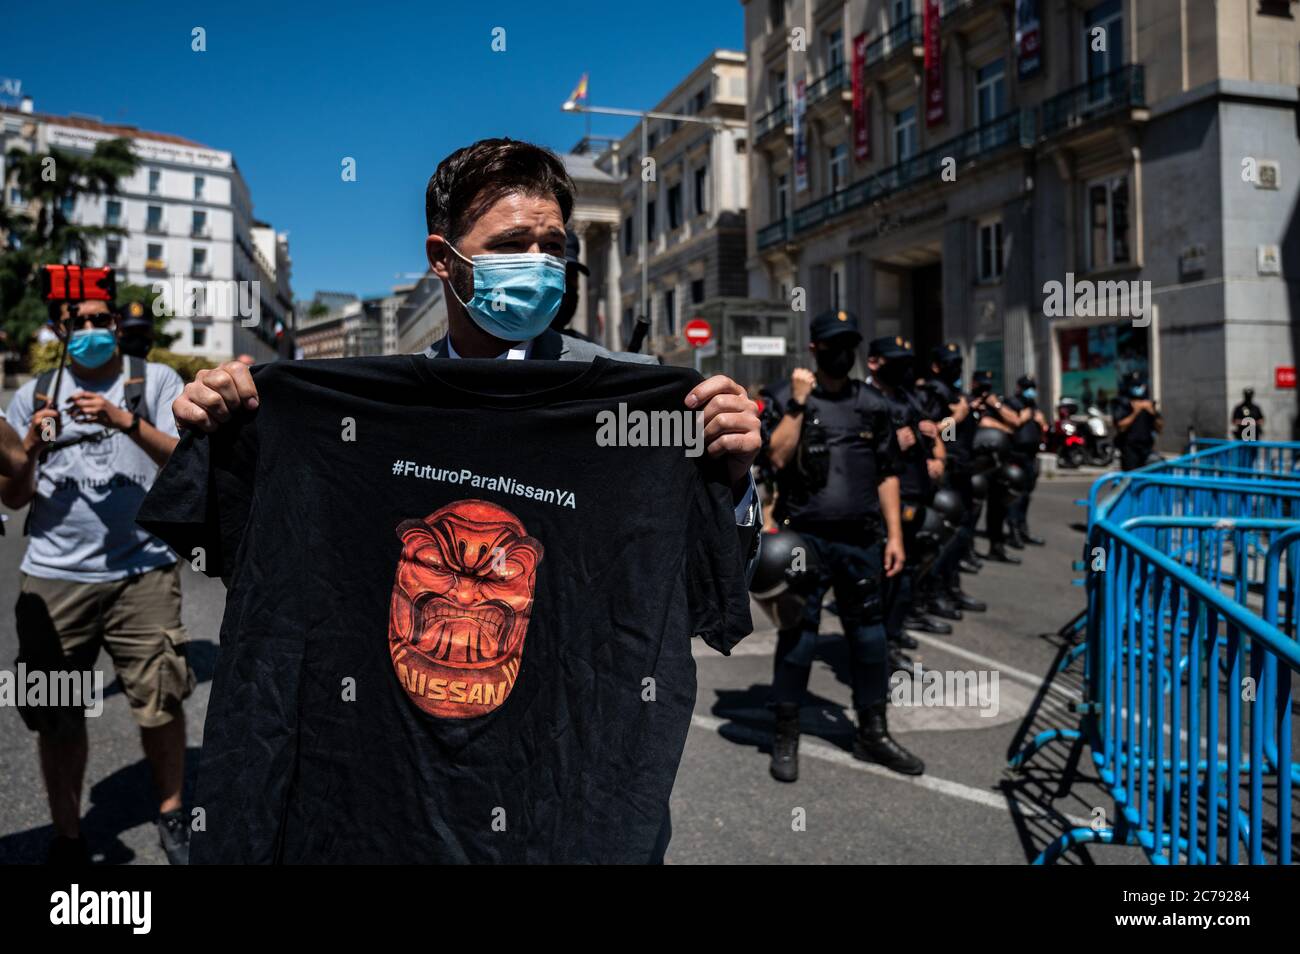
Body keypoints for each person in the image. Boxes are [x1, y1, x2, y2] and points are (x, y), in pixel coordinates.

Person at [166, 139, 763, 858]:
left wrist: (730, 478)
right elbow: (231, 552)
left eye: (554, 244)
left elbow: (706, 592)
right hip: (383, 802)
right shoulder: (339, 413)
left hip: (560, 799)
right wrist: (227, 427)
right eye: (513, 243)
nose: (541, 263)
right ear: (442, 257)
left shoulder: (634, 397)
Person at [0, 297, 192, 865]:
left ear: (116, 326)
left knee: (161, 699)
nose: (89, 330)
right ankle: (68, 836)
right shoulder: (31, 394)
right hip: (55, 578)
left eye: (100, 320)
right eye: (77, 323)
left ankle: (172, 811)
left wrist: (123, 420)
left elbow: (184, 463)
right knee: (57, 714)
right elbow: (12, 496)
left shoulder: (152, 379)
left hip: (144, 571)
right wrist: (32, 446)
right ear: (61, 330)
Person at [759, 312, 922, 783]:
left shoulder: (872, 404)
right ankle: (785, 732)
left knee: (870, 637)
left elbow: (887, 472)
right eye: (833, 344)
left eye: (848, 343)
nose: (841, 352)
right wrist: (797, 403)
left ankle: (873, 732)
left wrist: (895, 536)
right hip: (802, 540)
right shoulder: (786, 398)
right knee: (798, 635)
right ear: (814, 349)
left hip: (860, 539)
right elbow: (775, 456)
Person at [866, 336, 959, 644]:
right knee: (886, 576)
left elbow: (932, 432)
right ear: (874, 362)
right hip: (886, 501)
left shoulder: (908, 397)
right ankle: (881, 644)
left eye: (906, 361)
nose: (902, 367)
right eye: (896, 361)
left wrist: (937, 457)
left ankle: (896, 631)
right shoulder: (864, 399)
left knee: (909, 573)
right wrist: (894, 439)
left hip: (919, 492)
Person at [1004, 375, 1047, 547]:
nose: (1030, 391)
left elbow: (1043, 430)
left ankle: (1023, 530)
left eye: (1032, 387)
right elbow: (1010, 424)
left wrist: (1041, 422)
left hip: (1031, 455)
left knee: (1027, 495)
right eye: (1027, 387)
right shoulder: (1012, 403)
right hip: (1016, 454)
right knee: (1015, 495)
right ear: (1019, 387)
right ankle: (1013, 531)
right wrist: (1022, 417)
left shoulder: (1033, 407)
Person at [1112, 373, 1162, 471]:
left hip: (1146, 448)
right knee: (1131, 477)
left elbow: (1160, 427)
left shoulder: (1148, 404)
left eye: (1140, 385)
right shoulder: (1123, 404)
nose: (1139, 388)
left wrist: (1153, 413)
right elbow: (1120, 426)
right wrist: (1135, 413)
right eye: (1135, 385)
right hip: (1129, 448)